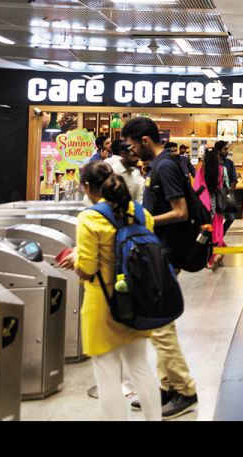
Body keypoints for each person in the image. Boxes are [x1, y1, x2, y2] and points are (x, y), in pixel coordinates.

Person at [58, 162, 162, 421]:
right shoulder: (141, 214)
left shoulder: (90, 218)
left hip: (102, 303)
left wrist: (76, 258)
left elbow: (87, 268)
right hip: (137, 299)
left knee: (107, 374)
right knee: (140, 367)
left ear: (87, 187)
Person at [121, 117, 198, 418]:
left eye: (131, 145)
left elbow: (181, 212)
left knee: (161, 326)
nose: (131, 152)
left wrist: (144, 220)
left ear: (143, 140)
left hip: (163, 255)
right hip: (157, 252)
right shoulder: (160, 165)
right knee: (158, 325)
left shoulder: (165, 167)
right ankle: (166, 386)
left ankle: (185, 390)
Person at [195, 147, 225, 268]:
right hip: (217, 202)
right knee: (217, 229)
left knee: (207, 231)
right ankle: (217, 253)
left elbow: (196, 186)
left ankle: (209, 259)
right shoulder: (221, 169)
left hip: (204, 203)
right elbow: (222, 185)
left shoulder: (201, 170)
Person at [215, 140, 237, 236]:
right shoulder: (213, 163)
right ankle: (215, 239)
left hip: (226, 194)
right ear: (218, 150)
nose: (227, 151)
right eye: (225, 149)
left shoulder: (229, 163)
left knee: (231, 218)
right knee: (215, 219)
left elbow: (234, 179)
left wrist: (230, 193)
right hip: (214, 195)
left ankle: (221, 234)